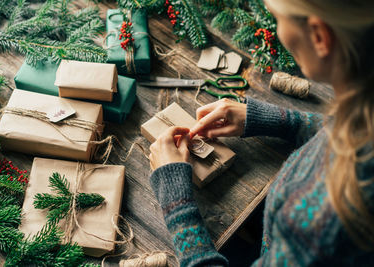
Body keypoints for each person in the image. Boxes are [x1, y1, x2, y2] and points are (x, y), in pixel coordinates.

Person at [148, 0, 374, 266]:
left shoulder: (321, 227)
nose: (278, 31)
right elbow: (349, 128)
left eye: (277, 18)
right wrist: (283, 121)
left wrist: (177, 203)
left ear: (319, 36)